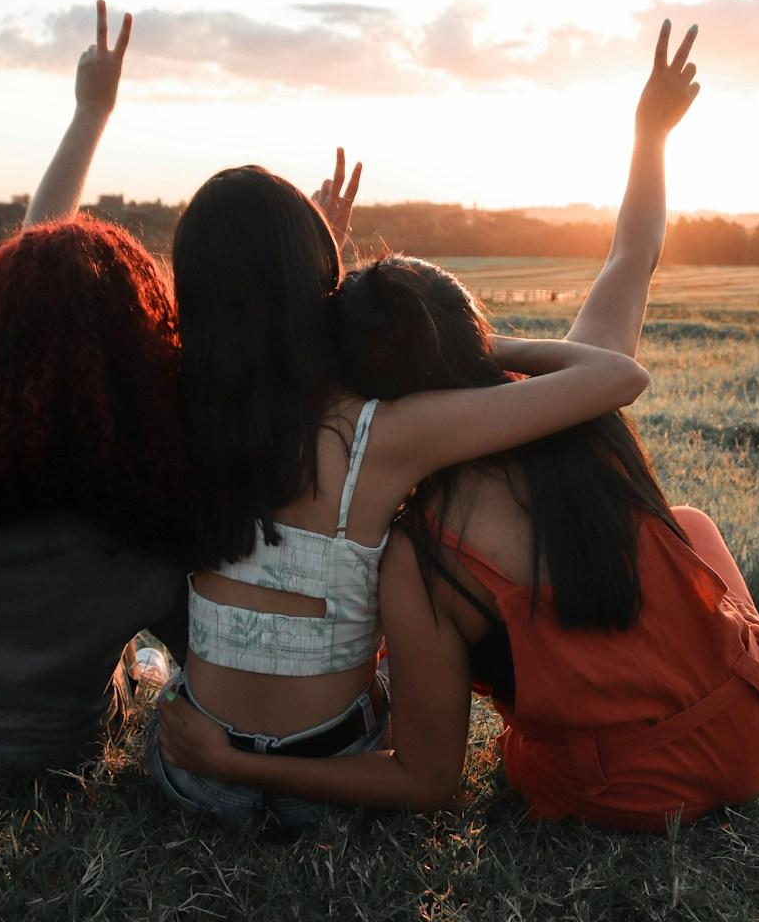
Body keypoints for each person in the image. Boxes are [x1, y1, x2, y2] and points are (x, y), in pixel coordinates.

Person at [159, 22, 759, 831]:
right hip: (753, 723)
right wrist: (649, 135)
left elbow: (430, 774)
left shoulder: (397, 505)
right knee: (690, 527)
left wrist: (314, 281)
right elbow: (630, 258)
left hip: (614, 785)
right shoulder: (557, 396)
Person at [143, 119, 648, 826]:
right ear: (312, 288)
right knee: (386, 651)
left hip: (194, 774)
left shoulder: (173, 406)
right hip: (330, 787)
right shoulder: (375, 433)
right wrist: (459, 336)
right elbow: (617, 376)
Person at [0, 1, 191, 781]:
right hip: (53, 760)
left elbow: (36, 301)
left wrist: (89, 113)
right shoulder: (143, 523)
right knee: (148, 668)